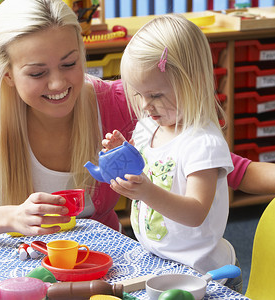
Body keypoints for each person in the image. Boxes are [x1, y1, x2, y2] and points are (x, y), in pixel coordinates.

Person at [0, 0, 275, 244]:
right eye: (37, 73)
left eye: (71, 63)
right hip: (32, 258)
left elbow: (226, 167)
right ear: (6, 75)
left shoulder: (116, 100)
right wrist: (12, 217)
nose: (60, 84)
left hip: (109, 264)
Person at [101, 14, 243, 291]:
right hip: (160, 262)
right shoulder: (148, 129)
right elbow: (146, 174)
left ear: (194, 82)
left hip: (204, 274)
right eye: (138, 94)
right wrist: (121, 157)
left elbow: (195, 213)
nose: (145, 106)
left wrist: (146, 192)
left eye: (155, 95)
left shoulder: (203, 143)